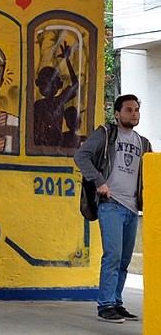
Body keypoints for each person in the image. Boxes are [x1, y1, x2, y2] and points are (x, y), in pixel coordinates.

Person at [74, 94, 151, 323]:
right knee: (113, 256)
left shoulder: (143, 143)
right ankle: (105, 305)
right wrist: (99, 182)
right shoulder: (106, 134)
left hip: (132, 207)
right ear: (117, 113)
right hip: (111, 204)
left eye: (136, 110)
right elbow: (81, 156)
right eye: (128, 110)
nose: (133, 114)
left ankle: (116, 302)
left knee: (125, 259)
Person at [34, 41, 78, 146]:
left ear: (59, 85)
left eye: (52, 83)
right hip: (40, 144)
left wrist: (67, 61)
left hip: (56, 143)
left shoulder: (59, 101)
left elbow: (76, 85)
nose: (48, 88)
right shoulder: (38, 104)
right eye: (45, 83)